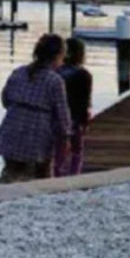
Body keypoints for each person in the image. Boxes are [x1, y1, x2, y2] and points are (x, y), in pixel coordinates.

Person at [0, 34, 71, 183]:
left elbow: (5, 99)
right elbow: (63, 117)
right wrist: (66, 140)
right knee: (40, 176)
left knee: (11, 171)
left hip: (11, 127)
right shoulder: (55, 81)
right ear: (58, 56)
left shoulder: (18, 72)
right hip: (37, 134)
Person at [54, 38, 92, 177]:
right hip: (75, 118)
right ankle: (74, 174)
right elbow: (84, 101)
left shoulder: (55, 72)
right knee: (77, 150)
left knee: (58, 150)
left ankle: (56, 174)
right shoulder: (83, 74)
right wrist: (85, 122)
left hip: (55, 118)